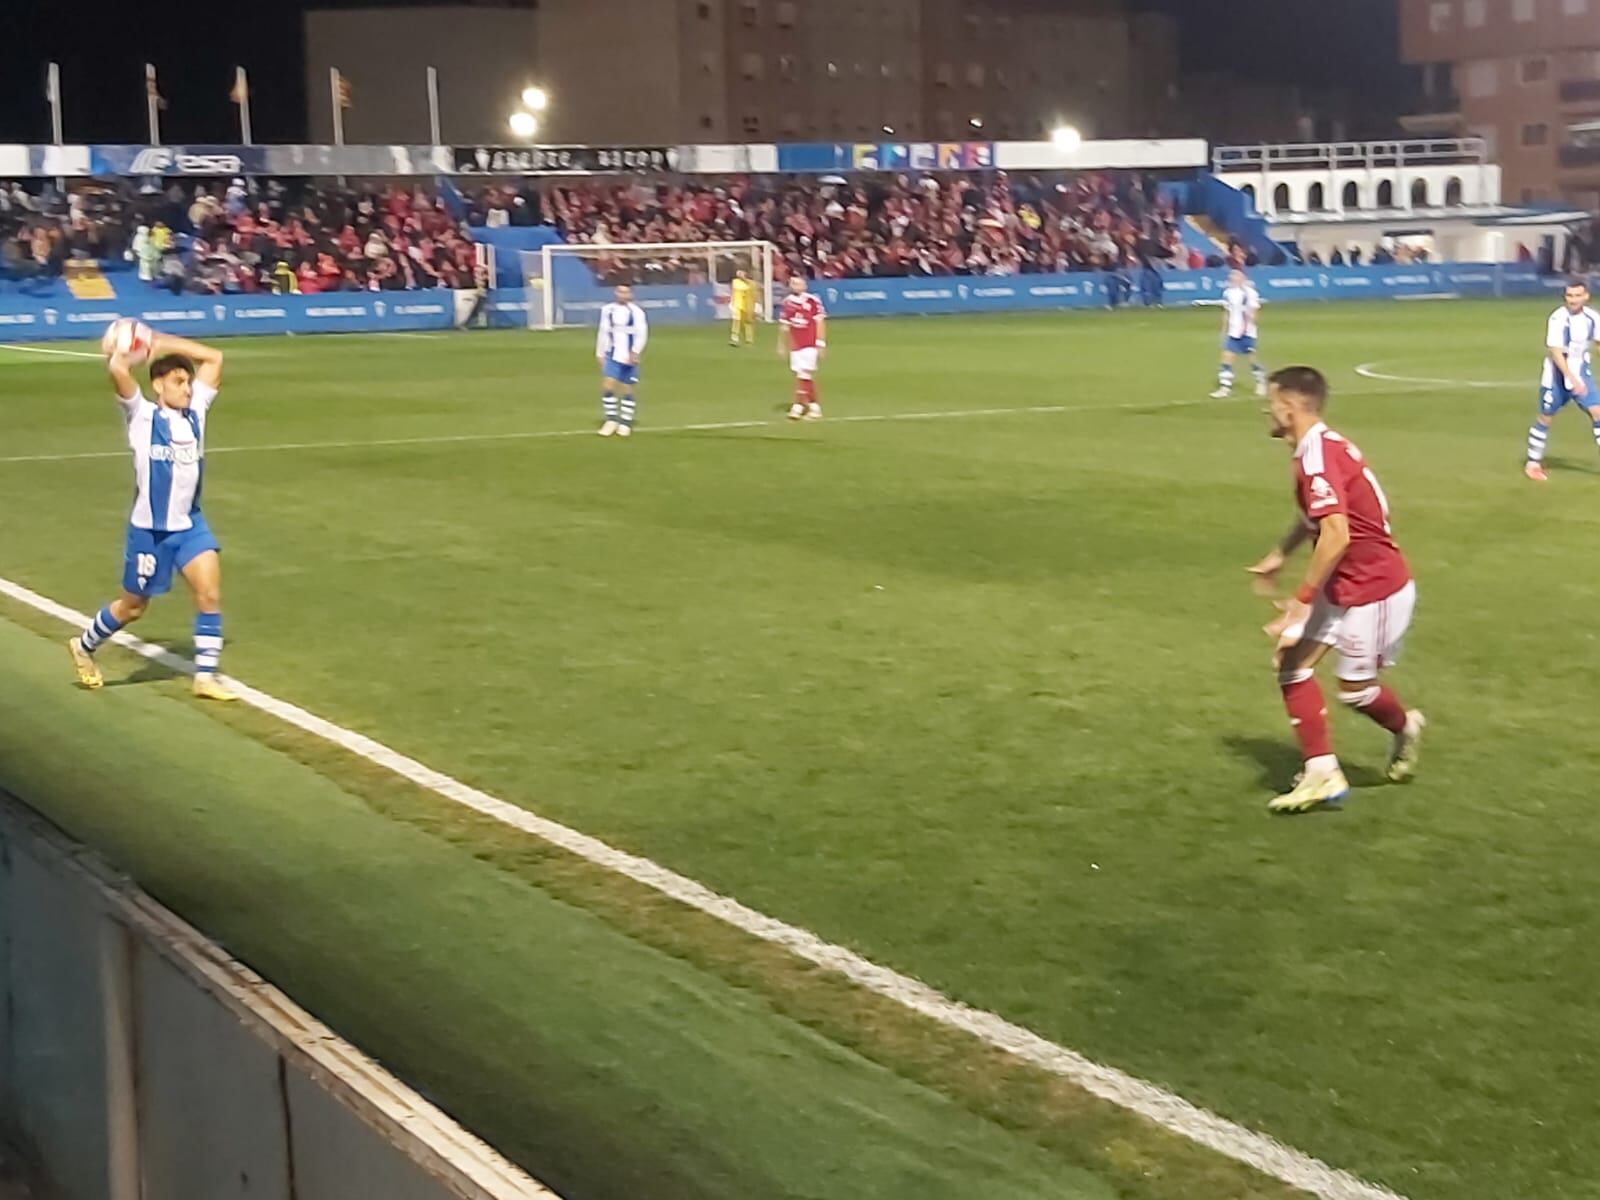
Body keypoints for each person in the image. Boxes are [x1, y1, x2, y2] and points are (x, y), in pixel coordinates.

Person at [1248, 367, 1425, 813]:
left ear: (1289, 407)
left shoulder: (1316, 458)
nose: (1266, 409)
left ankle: (1406, 727)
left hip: (1374, 587)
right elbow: (1317, 516)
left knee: (1355, 691)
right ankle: (1321, 772)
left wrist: (1300, 602)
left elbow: (1337, 535)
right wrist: (1280, 553)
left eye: (1271, 401)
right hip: (1344, 581)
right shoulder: (1318, 447)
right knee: (1291, 664)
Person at [68, 331, 235, 702]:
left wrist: (163, 341)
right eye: (178, 382)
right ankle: (83, 646)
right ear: (158, 384)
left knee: (209, 593)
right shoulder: (141, 416)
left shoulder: (196, 415)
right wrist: (126, 352)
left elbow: (215, 358)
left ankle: (205, 677)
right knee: (132, 607)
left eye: (189, 382)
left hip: (190, 525)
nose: (188, 389)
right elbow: (117, 371)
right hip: (150, 533)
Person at [1523, 278, 1600, 482]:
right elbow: (1556, 352)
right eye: (1569, 296)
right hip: (1556, 376)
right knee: (1546, 416)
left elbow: (1598, 344)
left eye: (1577, 296)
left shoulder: (1593, 318)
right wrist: (1571, 379)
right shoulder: (1558, 318)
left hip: (1581, 372)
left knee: (1597, 412)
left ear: (1586, 296)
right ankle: (1532, 463)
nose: (1573, 300)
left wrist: (1579, 376)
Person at [596, 283, 648, 438]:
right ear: (615, 292)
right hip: (612, 354)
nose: (623, 295)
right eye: (620, 291)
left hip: (629, 355)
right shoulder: (607, 310)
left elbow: (642, 333)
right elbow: (603, 332)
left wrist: (635, 352)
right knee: (608, 385)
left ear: (630, 294)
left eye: (626, 292)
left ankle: (625, 422)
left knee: (627, 388)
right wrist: (600, 352)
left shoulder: (637, 312)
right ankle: (611, 419)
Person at [777, 273, 826, 421]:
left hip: (809, 343)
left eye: (799, 283)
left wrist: (821, 343)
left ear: (804, 285)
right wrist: (781, 345)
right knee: (804, 376)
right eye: (793, 283)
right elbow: (785, 326)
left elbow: (820, 322)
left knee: (803, 375)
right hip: (795, 345)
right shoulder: (787, 302)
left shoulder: (813, 301)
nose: (796, 286)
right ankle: (814, 407)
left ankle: (797, 407)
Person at [1211, 269, 1266, 399]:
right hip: (1232, 332)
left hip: (1246, 332)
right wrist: (1224, 329)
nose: (1232, 277)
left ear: (1242, 277)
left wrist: (1246, 328)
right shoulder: (1228, 293)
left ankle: (1260, 381)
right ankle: (1225, 387)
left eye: (1235, 275)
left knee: (1252, 358)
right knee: (1226, 357)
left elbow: (1252, 312)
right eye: (1231, 275)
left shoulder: (1249, 293)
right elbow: (1227, 312)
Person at [729, 267, 758, 347]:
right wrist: (731, 302)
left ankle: (749, 339)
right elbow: (733, 292)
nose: (740, 275)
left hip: (748, 305)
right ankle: (734, 339)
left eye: (742, 273)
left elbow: (755, 295)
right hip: (737, 305)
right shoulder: (735, 282)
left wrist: (757, 305)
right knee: (736, 321)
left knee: (747, 323)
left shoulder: (752, 284)